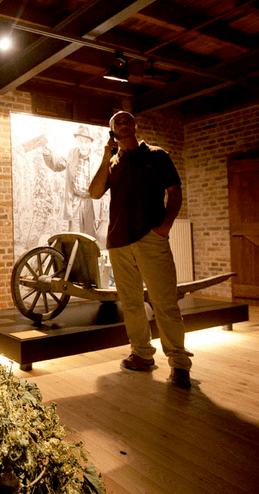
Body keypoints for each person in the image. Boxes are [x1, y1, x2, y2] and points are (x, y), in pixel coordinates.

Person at [89, 110, 192, 388]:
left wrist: (165, 227)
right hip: (118, 241)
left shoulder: (157, 155)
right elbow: (95, 192)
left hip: (150, 238)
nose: (123, 123)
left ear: (135, 126)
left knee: (164, 301)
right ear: (112, 131)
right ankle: (142, 354)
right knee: (131, 303)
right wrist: (106, 156)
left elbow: (175, 192)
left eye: (127, 120)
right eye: (117, 122)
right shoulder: (113, 163)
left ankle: (179, 363)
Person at [42, 126, 102, 241]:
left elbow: (104, 182)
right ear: (77, 142)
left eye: (86, 142)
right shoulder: (71, 155)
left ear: (90, 143)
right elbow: (56, 165)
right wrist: (47, 153)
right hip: (75, 202)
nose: (83, 145)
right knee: (75, 236)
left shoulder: (97, 160)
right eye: (80, 141)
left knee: (91, 237)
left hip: (91, 202)